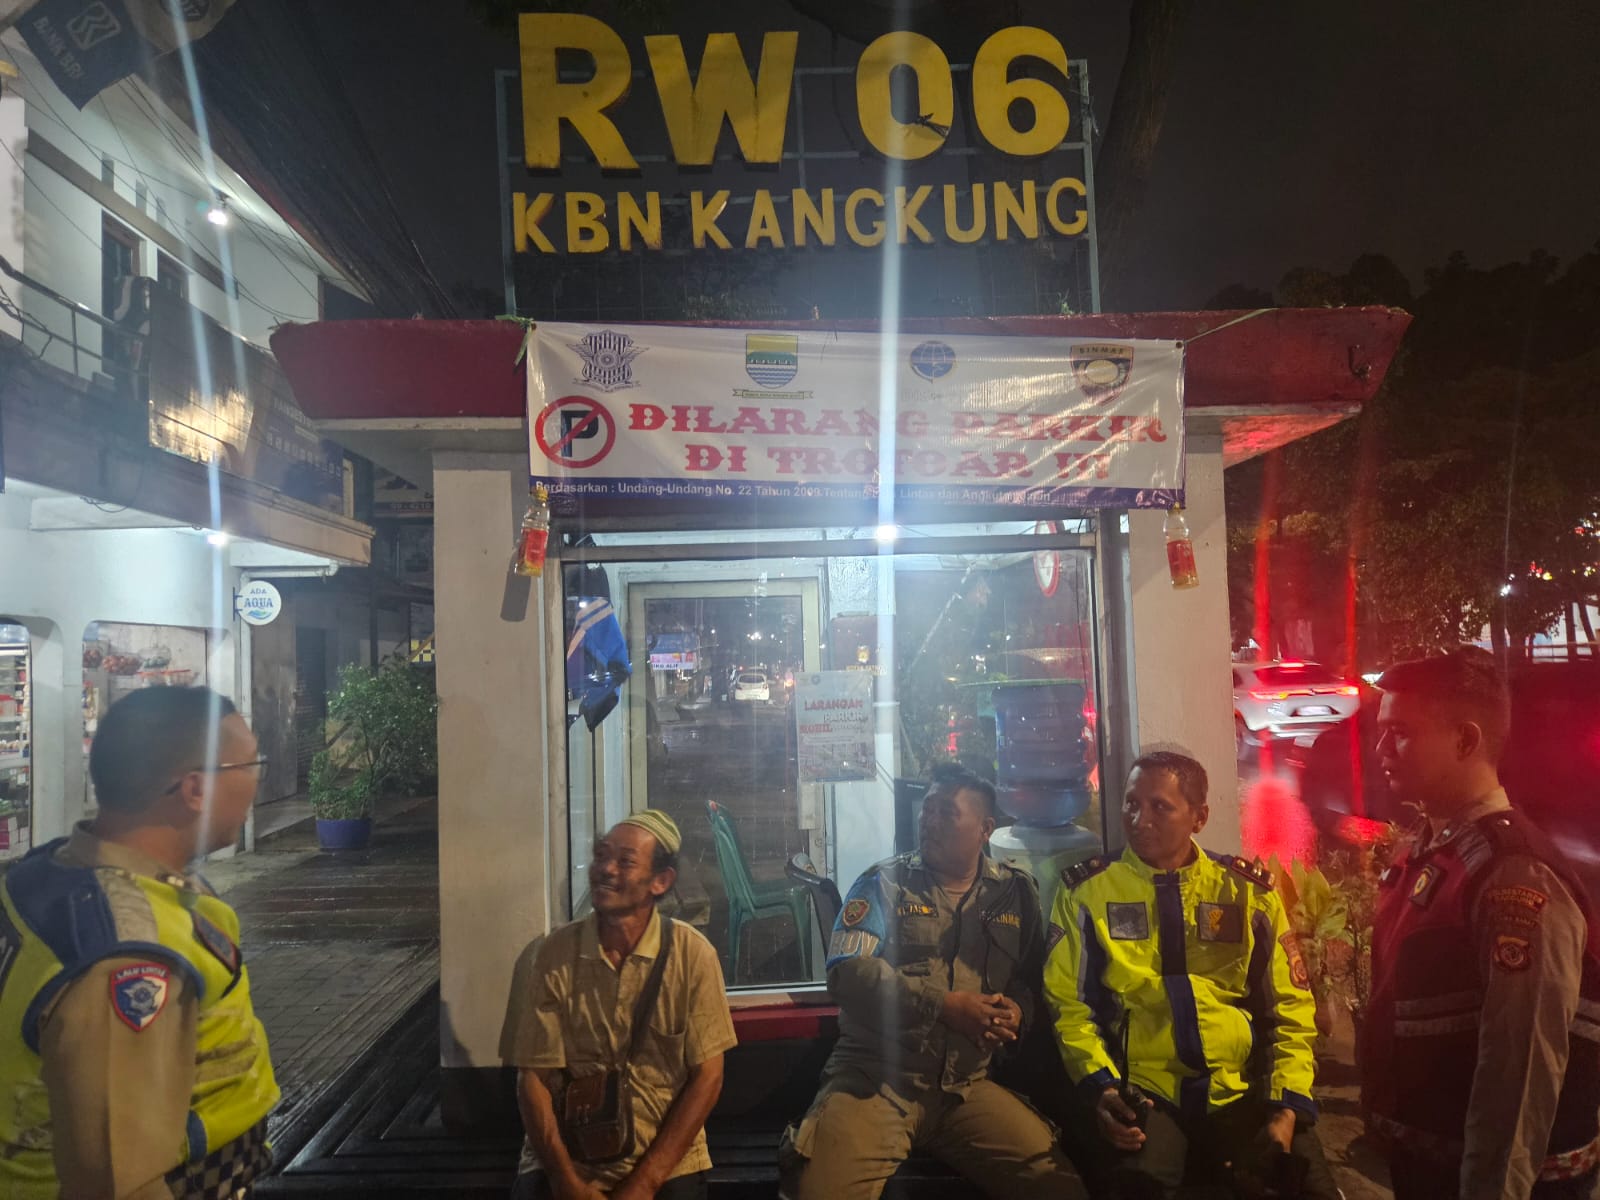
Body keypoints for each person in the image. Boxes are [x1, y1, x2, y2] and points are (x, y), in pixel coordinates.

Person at [0, 686, 278, 1199]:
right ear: (195, 789)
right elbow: (116, 1179)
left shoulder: (49, 871)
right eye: (251, 765)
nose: (258, 781)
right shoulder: (125, 955)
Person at [779, 764, 1084, 1200]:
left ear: (985, 829)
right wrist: (943, 1005)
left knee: (1059, 1188)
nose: (929, 820)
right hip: (876, 1081)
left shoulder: (1014, 894)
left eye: (947, 812)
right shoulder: (884, 883)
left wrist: (1017, 1012)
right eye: (928, 809)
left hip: (967, 1087)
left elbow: (1030, 981)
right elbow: (846, 972)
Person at [1044, 750, 1337, 1199]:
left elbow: (1289, 1009)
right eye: (1131, 803)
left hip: (1240, 1087)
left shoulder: (1246, 892)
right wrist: (1102, 1088)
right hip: (1145, 1090)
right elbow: (1070, 1006)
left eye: (1160, 806)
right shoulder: (1088, 892)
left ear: (1199, 817)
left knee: (1307, 1186)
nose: (1139, 819)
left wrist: (1285, 1108)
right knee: (1132, 1188)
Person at [1363, 649, 1600, 1200]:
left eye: (1400, 732)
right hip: (1429, 1169)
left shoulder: (1514, 875)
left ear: (1466, 741)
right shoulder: (1436, 849)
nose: (1381, 750)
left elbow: (1518, 1072)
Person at [502, 810, 736, 1200]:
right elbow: (533, 1079)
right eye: (601, 856)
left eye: (625, 861)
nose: (605, 869)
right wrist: (565, 1181)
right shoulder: (556, 954)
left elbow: (708, 1078)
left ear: (661, 881)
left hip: (666, 1161)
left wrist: (644, 1184)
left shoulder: (693, 955)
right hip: (568, 1155)